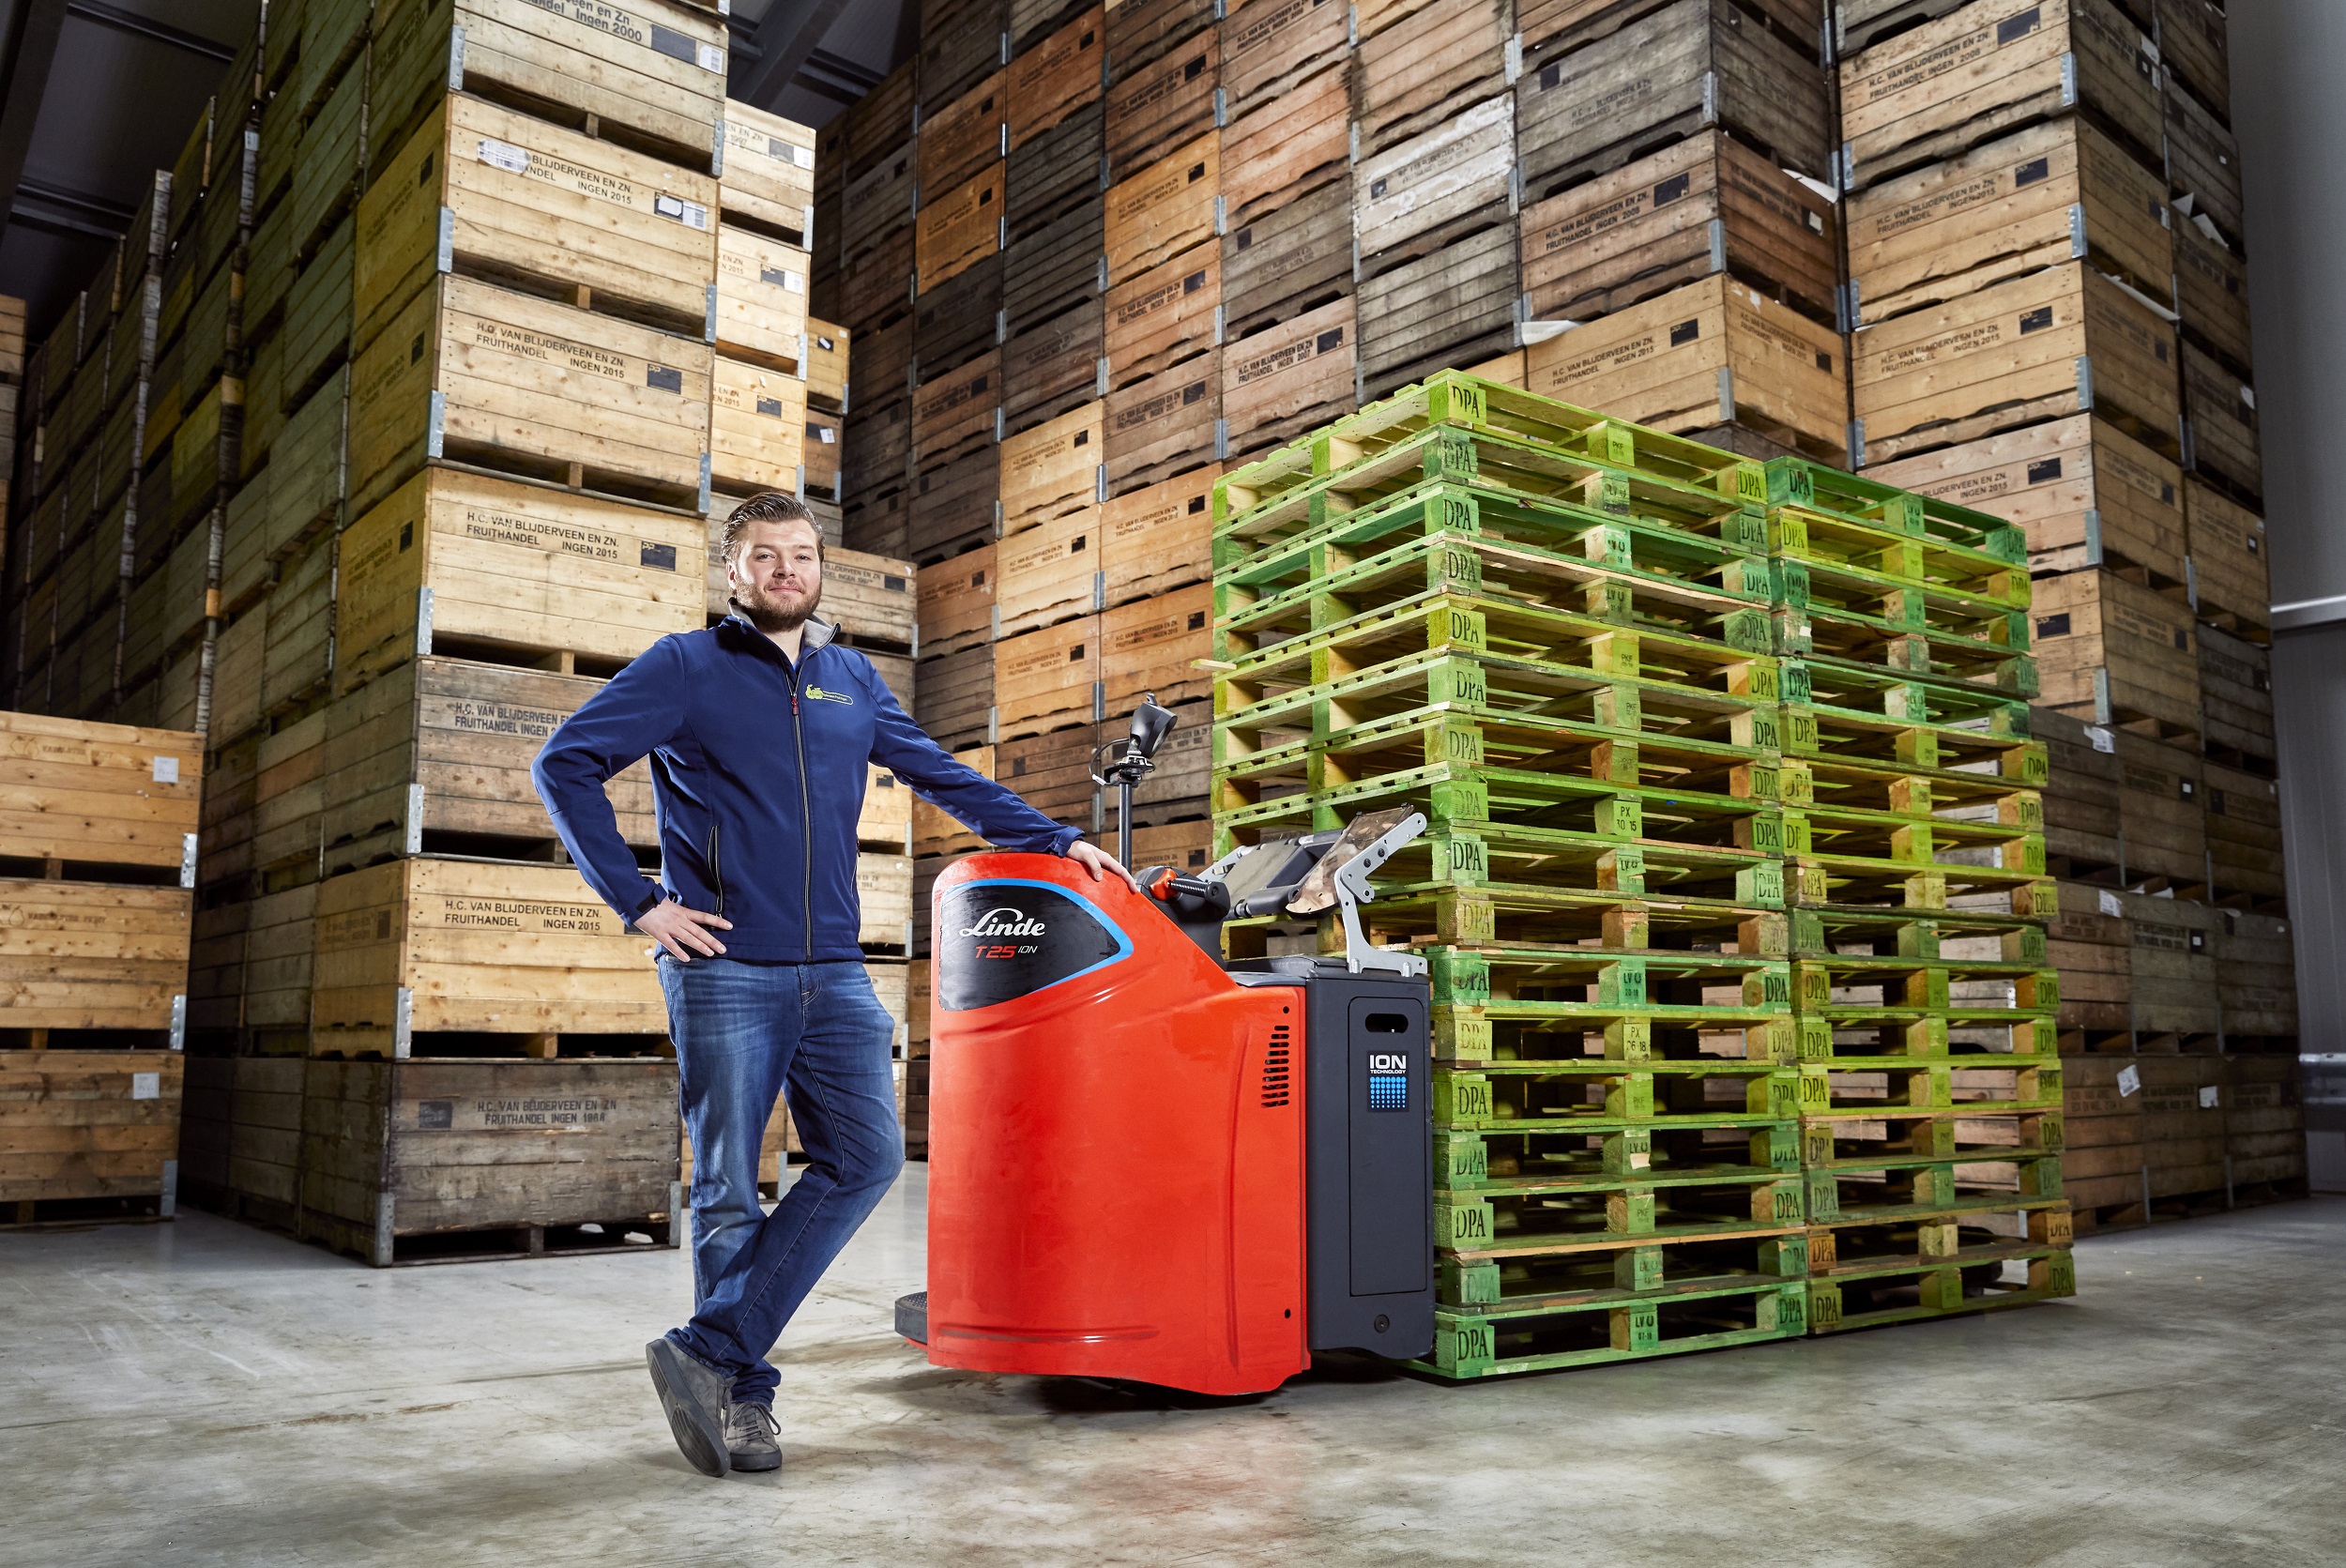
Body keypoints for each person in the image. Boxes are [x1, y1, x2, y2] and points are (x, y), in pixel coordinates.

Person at [532, 492, 1137, 1478]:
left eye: (801, 556)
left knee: (865, 1157)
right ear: (733, 572)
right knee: (729, 1188)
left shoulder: (851, 679)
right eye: (764, 556)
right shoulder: (684, 666)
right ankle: (742, 1400)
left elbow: (938, 772)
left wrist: (1054, 838)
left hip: (836, 970)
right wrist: (640, 902)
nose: (786, 571)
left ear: (820, 569)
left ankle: (708, 1348)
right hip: (726, 968)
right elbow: (565, 764)